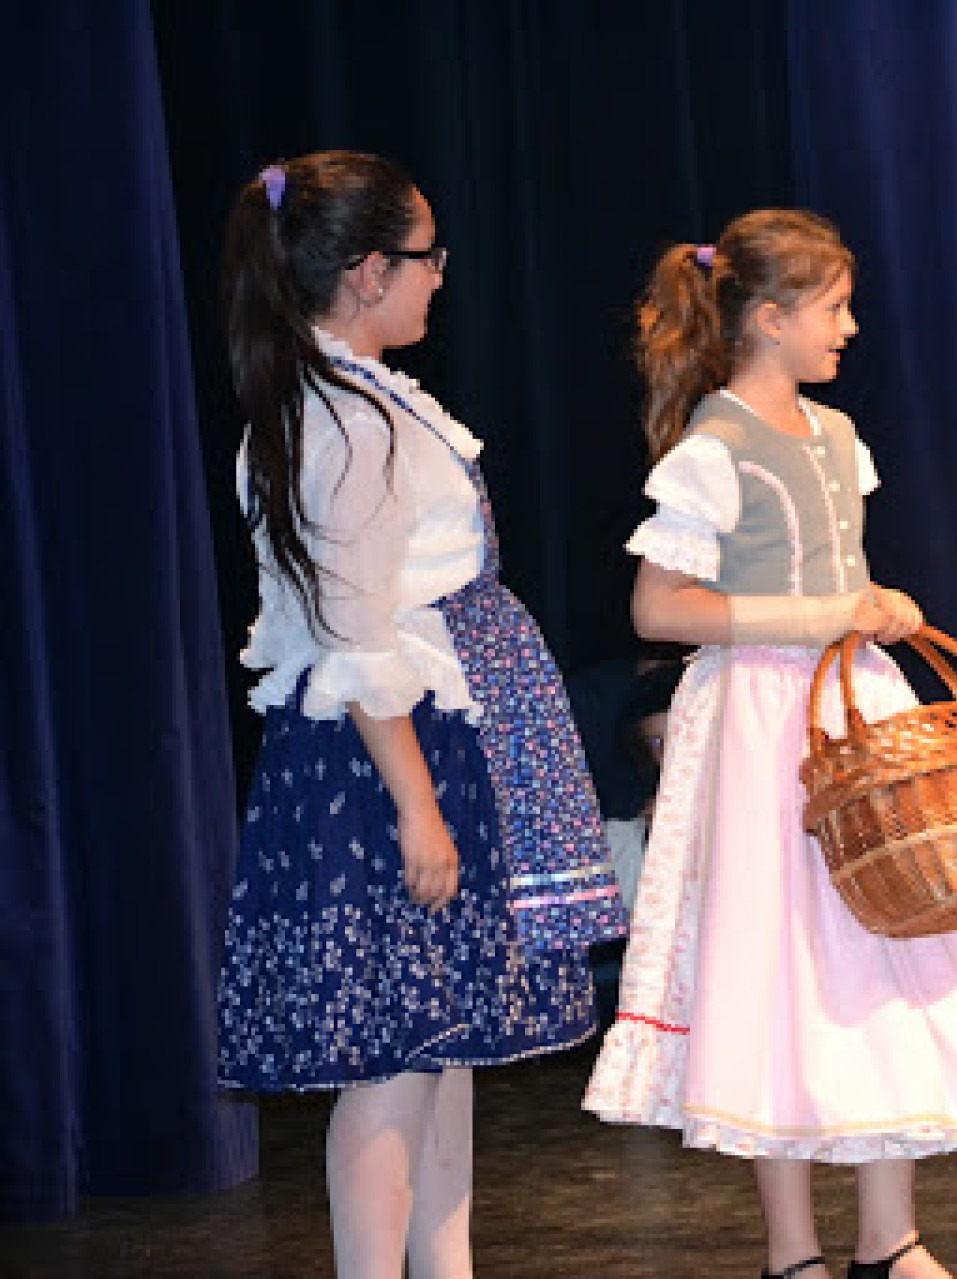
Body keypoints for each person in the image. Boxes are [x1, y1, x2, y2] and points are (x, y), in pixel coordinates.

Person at [583, 209, 957, 1279]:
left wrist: (874, 609)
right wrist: (822, 615)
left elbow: (839, 572)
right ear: (769, 319)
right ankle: (792, 1251)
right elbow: (659, 607)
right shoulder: (714, 450)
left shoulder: (839, 437)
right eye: (834, 308)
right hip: (763, 723)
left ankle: (890, 1238)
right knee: (781, 971)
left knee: (887, 942)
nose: (849, 327)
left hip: (853, 708)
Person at [215, 149, 626, 1278]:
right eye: (425, 256)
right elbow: (356, 632)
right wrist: (417, 805)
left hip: (429, 736)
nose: (440, 275)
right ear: (365, 273)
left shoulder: (366, 400)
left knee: (441, 1048)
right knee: (393, 1057)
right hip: (385, 755)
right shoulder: (342, 421)